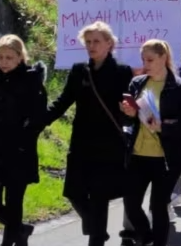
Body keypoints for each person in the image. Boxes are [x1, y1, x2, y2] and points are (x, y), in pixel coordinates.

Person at [44, 22, 133, 246]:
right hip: (81, 142)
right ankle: (96, 229)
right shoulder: (78, 70)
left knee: (99, 198)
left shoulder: (122, 72)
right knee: (74, 192)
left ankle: (96, 237)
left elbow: (130, 109)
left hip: (109, 145)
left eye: (96, 41)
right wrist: (36, 122)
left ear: (109, 44)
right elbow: (62, 102)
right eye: (88, 41)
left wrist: (130, 112)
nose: (91, 46)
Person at [120, 40, 181, 246]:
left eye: (150, 59)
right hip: (138, 154)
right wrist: (128, 114)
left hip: (167, 157)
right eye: (143, 59)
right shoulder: (137, 83)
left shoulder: (180, 87)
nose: (145, 64)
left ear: (164, 57)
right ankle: (146, 237)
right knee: (131, 204)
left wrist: (164, 127)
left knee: (158, 205)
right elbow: (129, 122)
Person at [0, 35, 47, 246]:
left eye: (9, 57)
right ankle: (20, 230)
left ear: (20, 57)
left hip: (18, 152)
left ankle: (13, 240)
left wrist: (24, 138)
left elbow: (38, 118)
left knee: (14, 203)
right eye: (0, 57)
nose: (3, 62)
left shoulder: (32, 81)